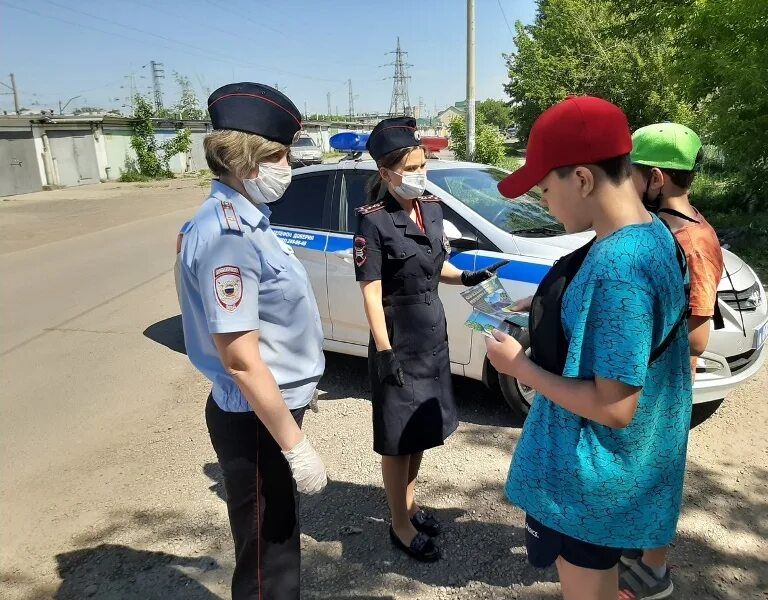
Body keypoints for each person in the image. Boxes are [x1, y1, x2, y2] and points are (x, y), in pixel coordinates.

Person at [484, 96, 693, 600]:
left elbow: (614, 406)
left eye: (545, 189)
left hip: (590, 483)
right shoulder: (651, 233)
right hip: (621, 473)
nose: (543, 204)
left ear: (581, 178)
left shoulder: (619, 266)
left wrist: (520, 368)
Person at [177, 82, 328, 600]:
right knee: (269, 562)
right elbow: (241, 359)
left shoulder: (246, 220)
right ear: (248, 162)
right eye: (281, 155)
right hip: (256, 420)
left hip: (266, 411)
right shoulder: (227, 235)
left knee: (275, 546)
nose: (289, 166)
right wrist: (295, 445)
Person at [354, 117, 507, 562]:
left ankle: (411, 504)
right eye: (412, 167)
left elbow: (434, 263)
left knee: (421, 430)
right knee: (397, 438)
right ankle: (399, 526)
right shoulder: (374, 222)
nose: (422, 173)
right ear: (386, 174)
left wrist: (466, 277)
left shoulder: (431, 207)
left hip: (432, 335)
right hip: (397, 342)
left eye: (424, 164)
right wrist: (384, 351)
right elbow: (370, 289)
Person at [618, 122, 724, 599]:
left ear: (655, 179)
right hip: (646, 373)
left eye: (631, 174)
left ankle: (653, 572)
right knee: (636, 467)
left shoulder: (694, 242)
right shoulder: (665, 226)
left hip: (665, 381)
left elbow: (699, 338)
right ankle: (632, 547)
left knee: (659, 472)